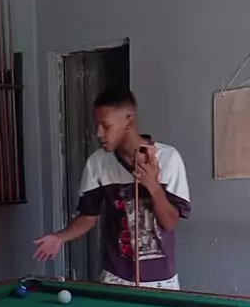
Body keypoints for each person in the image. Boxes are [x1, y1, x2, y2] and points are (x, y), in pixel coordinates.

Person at [33, 86, 191, 289]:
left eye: (105, 126)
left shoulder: (169, 159)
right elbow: (88, 217)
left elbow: (169, 222)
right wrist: (59, 237)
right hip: (114, 278)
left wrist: (153, 186)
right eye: (97, 126)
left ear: (129, 120)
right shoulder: (97, 163)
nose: (99, 133)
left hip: (162, 281)